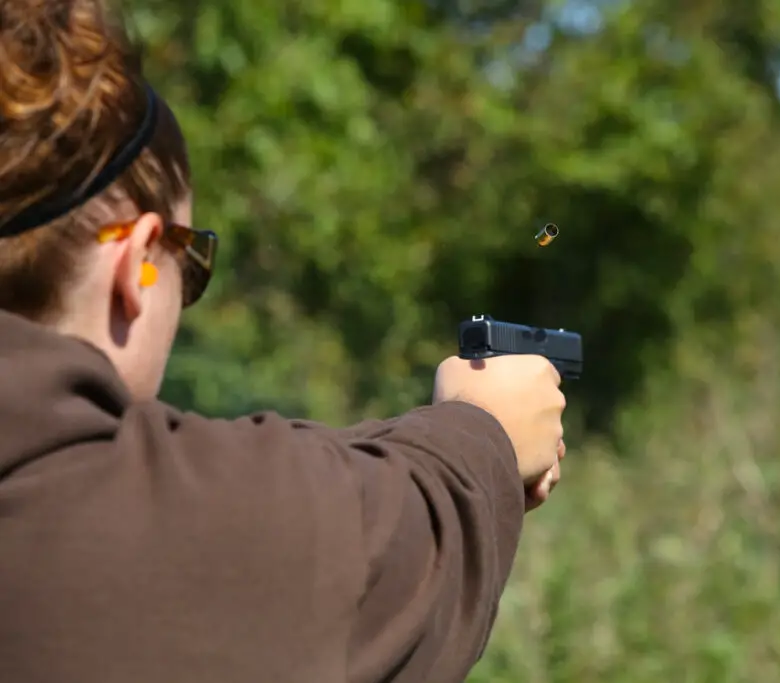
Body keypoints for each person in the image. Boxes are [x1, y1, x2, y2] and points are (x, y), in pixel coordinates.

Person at [0, 1, 567, 682]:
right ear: (137, 265)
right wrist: (487, 433)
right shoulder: (132, 524)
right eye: (193, 263)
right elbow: (395, 539)